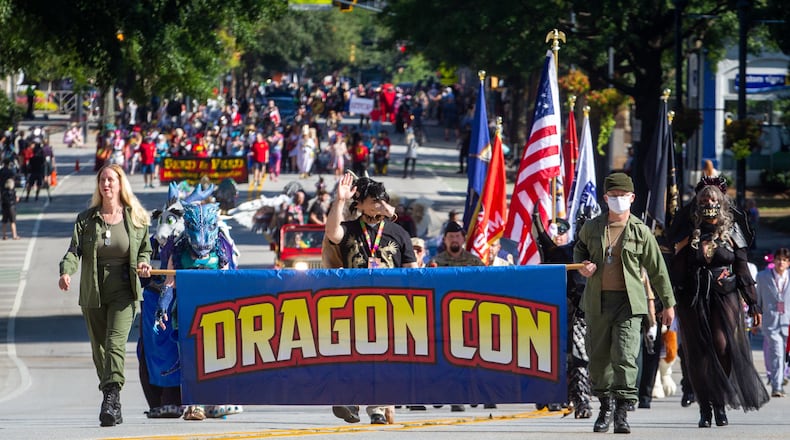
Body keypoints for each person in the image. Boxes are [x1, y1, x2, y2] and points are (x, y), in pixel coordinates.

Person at [574, 172, 675, 434]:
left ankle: (621, 411)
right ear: (605, 198)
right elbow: (579, 250)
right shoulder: (592, 227)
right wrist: (582, 265)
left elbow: (657, 269)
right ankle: (605, 407)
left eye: (623, 196)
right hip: (597, 302)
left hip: (629, 304)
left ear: (632, 198)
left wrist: (668, 304)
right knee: (598, 359)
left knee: (625, 355)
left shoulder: (640, 231)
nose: (618, 200)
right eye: (613, 196)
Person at [669, 176, 768, 428]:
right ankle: (705, 407)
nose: (709, 204)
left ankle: (719, 402)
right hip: (693, 294)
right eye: (704, 200)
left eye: (713, 199)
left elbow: (742, 267)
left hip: (725, 295)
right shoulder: (687, 231)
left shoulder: (732, 231)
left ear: (721, 202)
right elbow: (674, 267)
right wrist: (666, 300)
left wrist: (753, 302)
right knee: (698, 353)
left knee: (721, 345)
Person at [57, 164, 153, 427]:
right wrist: (66, 272)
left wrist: (144, 263)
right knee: (99, 349)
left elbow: (145, 250)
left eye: (111, 180)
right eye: (102, 180)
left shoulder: (136, 218)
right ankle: (113, 399)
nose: (106, 184)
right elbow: (74, 252)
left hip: (124, 290)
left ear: (121, 184)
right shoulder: (86, 219)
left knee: (114, 344)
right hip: (94, 290)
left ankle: (111, 397)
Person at [325, 173, 418, 425]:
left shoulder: (398, 233)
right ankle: (351, 402)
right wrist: (340, 201)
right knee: (355, 355)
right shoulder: (350, 229)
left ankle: (377, 407)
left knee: (384, 359)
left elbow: (412, 271)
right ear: (360, 204)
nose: (378, 204)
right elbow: (332, 233)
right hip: (354, 305)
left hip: (390, 306)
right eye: (373, 200)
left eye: (381, 199)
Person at [756, 248, 790, 398]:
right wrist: (756, 319)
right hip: (770, 321)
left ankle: (780, 379)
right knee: (777, 352)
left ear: (788, 263)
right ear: (774, 260)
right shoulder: (762, 277)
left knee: (784, 354)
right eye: (778, 259)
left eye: (784, 260)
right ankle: (777, 386)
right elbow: (758, 300)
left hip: (787, 322)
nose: (781, 262)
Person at [1, 165, 20, 240]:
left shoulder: (3, 192)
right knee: (12, 222)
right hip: (11, 207)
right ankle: (14, 235)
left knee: (4, 221)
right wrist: (17, 199)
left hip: (4, 206)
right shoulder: (12, 192)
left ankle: (4, 235)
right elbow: (15, 199)